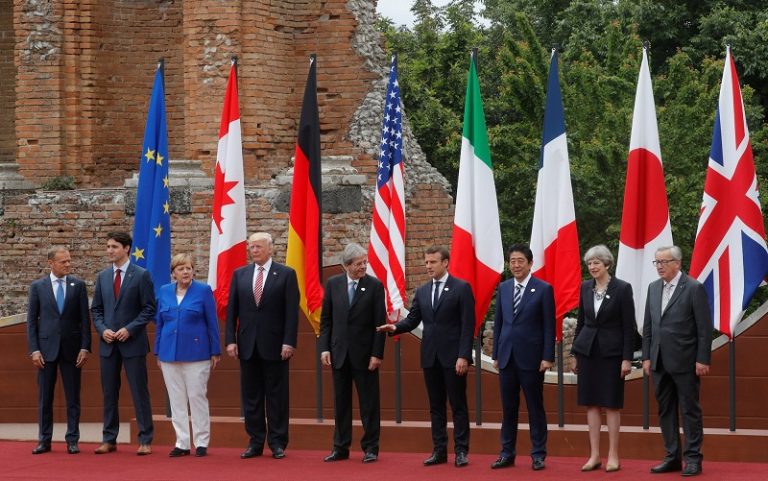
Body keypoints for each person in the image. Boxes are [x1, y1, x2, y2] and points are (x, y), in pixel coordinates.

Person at [378, 246, 474, 468]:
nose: (428, 266)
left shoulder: (461, 288)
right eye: (427, 262)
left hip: (454, 358)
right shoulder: (422, 291)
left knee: (458, 405)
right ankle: (439, 450)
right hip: (430, 357)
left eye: (433, 262)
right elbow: (413, 320)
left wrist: (463, 356)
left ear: (445, 263)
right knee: (436, 406)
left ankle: (461, 451)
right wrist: (395, 327)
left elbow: (468, 326)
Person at [225, 232, 299, 460]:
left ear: (270, 248)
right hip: (247, 345)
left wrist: (289, 341)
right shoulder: (240, 274)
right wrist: (230, 340)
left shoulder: (286, 274)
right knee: (251, 397)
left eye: (258, 247)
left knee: (277, 396)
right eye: (251, 247)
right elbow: (232, 311)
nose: (254, 250)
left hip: (276, 346)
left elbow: (291, 313)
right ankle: (255, 441)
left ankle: (277, 442)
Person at [642, 246, 712, 477]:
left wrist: (702, 359)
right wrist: (646, 356)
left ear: (677, 263)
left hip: (685, 361)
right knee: (665, 410)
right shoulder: (653, 288)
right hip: (659, 361)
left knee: (689, 410)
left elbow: (704, 328)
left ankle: (693, 459)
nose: (659, 266)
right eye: (657, 262)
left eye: (664, 262)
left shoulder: (693, 288)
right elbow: (649, 326)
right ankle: (672, 457)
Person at [319, 243, 386, 463]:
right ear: (346, 265)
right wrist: (325, 348)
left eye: (365, 262)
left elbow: (379, 323)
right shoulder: (333, 284)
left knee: (369, 404)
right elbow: (326, 320)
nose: (363, 266)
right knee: (341, 403)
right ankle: (340, 447)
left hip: (365, 356)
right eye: (359, 264)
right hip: (339, 354)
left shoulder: (374, 286)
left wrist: (377, 354)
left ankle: (371, 447)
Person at [91, 231, 156, 455]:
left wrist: (129, 329)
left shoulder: (141, 275)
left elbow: (149, 308)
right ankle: (109, 439)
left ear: (127, 248)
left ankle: (145, 439)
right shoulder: (102, 277)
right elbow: (96, 310)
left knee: (139, 392)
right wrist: (103, 330)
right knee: (109, 393)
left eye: (114, 247)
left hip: (133, 343)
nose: (110, 250)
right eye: (108, 246)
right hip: (108, 345)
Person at [571, 245, 635, 473]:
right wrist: (575, 353)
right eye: (589, 263)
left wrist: (627, 359)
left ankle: (613, 455)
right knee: (591, 403)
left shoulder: (622, 288)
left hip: (612, 354)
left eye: (597, 262)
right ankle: (594, 455)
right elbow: (581, 322)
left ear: (607, 264)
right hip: (587, 352)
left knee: (611, 404)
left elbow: (628, 327)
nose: (592, 267)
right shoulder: (585, 287)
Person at [491, 243, 555, 471]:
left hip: (532, 358)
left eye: (520, 261)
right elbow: (499, 323)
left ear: (530, 264)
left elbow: (549, 326)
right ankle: (506, 453)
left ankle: (538, 454)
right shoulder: (504, 287)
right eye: (512, 261)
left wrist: (547, 356)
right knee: (508, 408)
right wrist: (496, 354)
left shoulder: (543, 289)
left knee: (535, 408)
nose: (516, 265)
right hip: (507, 357)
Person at [155, 253, 221, 458]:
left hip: (197, 353)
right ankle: (182, 442)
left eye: (189, 268)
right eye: (181, 268)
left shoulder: (203, 290)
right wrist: (158, 351)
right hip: (169, 353)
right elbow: (160, 324)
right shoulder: (164, 291)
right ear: (173, 273)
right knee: (176, 400)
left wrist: (215, 350)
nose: (185, 272)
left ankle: (201, 442)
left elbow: (212, 322)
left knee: (196, 397)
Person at [26, 246, 91, 455]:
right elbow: (31, 321)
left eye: (69, 260)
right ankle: (44, 440)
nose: (68, 264)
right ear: (51, 263)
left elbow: (84, 320)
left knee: (73, 398)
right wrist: (34, 350)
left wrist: (85, 347)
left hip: (72, 350)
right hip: (45, 351)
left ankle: (72, 439)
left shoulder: (78, 286)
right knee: (45, 398)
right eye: (63, 261)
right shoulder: (38, 287)